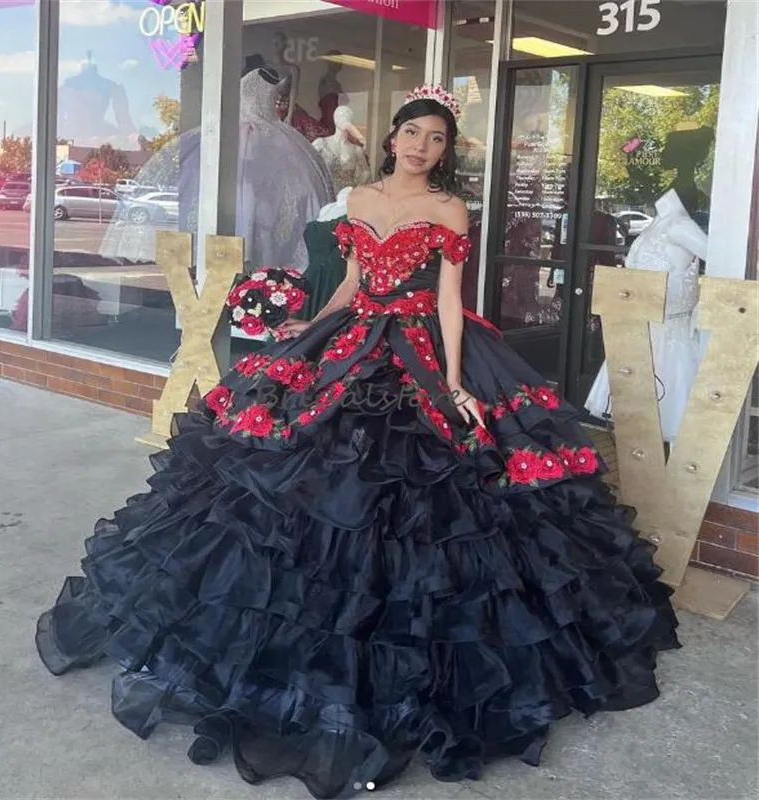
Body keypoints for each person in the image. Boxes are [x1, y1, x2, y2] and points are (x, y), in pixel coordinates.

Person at [36, 86, 679, 799]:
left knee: (420, 486)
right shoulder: (359, 199)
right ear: (392, 137)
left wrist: (456, 384)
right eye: (413, 134)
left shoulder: (448, 210)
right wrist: (305, 332)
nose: (422, 148)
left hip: (421, 348)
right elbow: (348, 284)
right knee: (292, 481)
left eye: (436, 140)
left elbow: (447, 300)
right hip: (351, 339)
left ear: (445, 151)